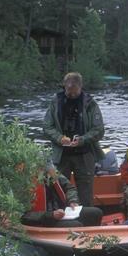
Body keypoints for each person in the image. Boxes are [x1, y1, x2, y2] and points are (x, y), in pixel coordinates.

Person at [43, 72, 105, 207]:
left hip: (84, 153)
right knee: (59, 189)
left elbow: (99, 130)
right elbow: (47, 127)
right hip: (61, 154)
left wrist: (82, 139)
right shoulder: (55, 102)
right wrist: (59, 138)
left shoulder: (90, 104)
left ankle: (87, 221)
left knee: (85, 193)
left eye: (74, 92)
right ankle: (62, 218)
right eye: (68, 91)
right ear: (64, 86)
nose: (71, 95)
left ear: (80, 87)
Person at [21, 164, 103, 227]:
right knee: (75, 225)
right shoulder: (21, 182)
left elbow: (69, 187)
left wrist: (72, 201)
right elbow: (24, 216)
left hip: (62, 212)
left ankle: (93, 243)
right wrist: (51, 215)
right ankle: (79, 246)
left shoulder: (52, 173)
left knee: (96, 212)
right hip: (43, 219)